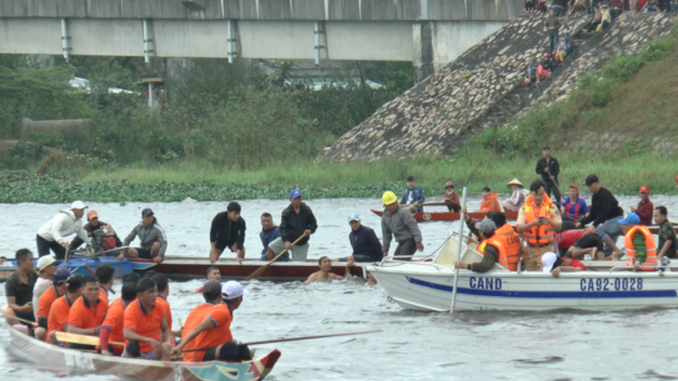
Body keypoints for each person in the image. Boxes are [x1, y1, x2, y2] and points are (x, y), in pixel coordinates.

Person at [173, 281, 252, 362]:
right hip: (201, 354)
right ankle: (231, 370)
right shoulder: (222, 311)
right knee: (230, 348)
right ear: (239, 298)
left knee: (241, 348)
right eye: (242, 297)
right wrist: (180, 346)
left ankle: (243, 365)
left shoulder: (225, 311)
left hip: (209, 350)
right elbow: (199, 327)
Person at [517, 180, 563, 270]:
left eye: (541, 194)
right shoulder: (524, 208)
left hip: (547, 248)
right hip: (529, 249)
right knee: (529, 277)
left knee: (546, 275)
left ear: (544, 193)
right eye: (535, 194)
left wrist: (550, 222)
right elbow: (519, 228)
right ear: (530, 193)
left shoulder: (551, 207)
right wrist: (533, 223)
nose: (538, 197)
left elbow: (559, 226)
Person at [122, 278, 172, 360]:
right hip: (136, 351)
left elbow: (165, 330)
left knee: (167, 347)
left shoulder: (159, 306)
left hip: (154, 350)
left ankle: (163, 371)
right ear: (139, 296)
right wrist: (148, 340)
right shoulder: (131, 309)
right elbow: (127, 334)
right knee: (133, 344)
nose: (155, 295)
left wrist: (168, 342)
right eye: (151, 292)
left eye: (155, 291)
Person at [576, 174, 625, 256]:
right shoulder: (594, 197)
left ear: (597, 183)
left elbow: (604, 212)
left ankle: (617, 250)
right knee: (608, 252)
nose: (589, 188)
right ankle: (611, 259)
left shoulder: (605, 194)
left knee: (598, 231)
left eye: (590, 185)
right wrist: (581, 223)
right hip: (609, 223)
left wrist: (594, 225)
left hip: (617, 220)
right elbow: (593, 215)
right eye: (588, 186)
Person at [265, 189, 317, 262]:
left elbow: (314, 224)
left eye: (299, 198)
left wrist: (310, 230)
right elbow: (283, 228)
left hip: (301, 243)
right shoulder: (286, 212)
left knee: (298, 267)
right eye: (295, 199)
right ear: (290, 200)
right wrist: (286, 240)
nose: (298, 201)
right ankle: (271, 270)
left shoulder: (306, 210)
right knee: (271, 247)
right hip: (288, 240)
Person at [180, 280, 224, 356]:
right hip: (199, 356)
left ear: (203, 295)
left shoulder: (195, 309)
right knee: (238, 349)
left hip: (186, 354)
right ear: (220, 296)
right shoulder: (218, 312)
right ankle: (245, 361)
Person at [67, 275, 108, 349]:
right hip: (81, 342)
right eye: (90, 289)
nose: (94, 292)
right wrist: (94, 330)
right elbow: (71, 330)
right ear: (82, 290)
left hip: (97, 341)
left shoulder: (103, 303)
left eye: (96, 289)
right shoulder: (77, 308)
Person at [381, 191, 424, 259]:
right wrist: (385, 251)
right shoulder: (384, 218)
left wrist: (418, 241)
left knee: (401, 260)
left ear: (396, 202)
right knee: (395, 260)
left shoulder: (403, 212)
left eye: (393, 204)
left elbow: (413, 225)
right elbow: (386, 236)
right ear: (385, 205)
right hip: (401, 242)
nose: (392, 206)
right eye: (389, 205)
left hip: (411, 240)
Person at [100, 280, 138, 356]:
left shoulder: (126, 302)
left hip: (127, 344)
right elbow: (105, 328)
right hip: (116, 347)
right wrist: (104, 349)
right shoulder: (117, 310)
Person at [3, 249, 37, 331]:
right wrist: (23, 308)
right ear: (21, 262)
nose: (33, 262)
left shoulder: (33, 275)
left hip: (36, 311)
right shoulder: (12, 281)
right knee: (8, 311)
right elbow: (11, 304)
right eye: (30, 260)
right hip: (21, 315)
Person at [34, 268, 70, 341]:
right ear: (64, 283)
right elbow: (42, 321)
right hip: (51, 326)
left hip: (63, 321)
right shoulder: (47, 298)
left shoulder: (69, 292)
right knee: (40, 331)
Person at [47, 274, 84, 345]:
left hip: (77, 339)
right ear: (81, 290)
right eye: (88, 289)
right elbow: (70, 331)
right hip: (59, 343)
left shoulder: (83, 303)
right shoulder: (59, 304)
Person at [152, 273, 180, 345]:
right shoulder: (164, 304)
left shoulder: (147, 302)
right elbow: (161, 332)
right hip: (165, 347)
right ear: (167, 286)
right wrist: (178, 333)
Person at [32, 255, 60, 319]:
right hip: (43, 321)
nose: (57, 268)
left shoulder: (41, 281)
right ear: (46, 268)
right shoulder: (44, 283)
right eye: (54, 265)